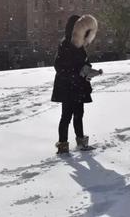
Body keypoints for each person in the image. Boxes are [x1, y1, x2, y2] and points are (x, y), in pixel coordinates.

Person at [51, 14, 102, 154]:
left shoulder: (79, 45)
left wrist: (88, 70)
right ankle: (63, 145)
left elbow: (82, 63)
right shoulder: (65, 44)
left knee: (79, 114)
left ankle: (80, 141)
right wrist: (77, 73)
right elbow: (59, 66)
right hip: (68, 87)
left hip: (78, 86)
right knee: (66, 116)